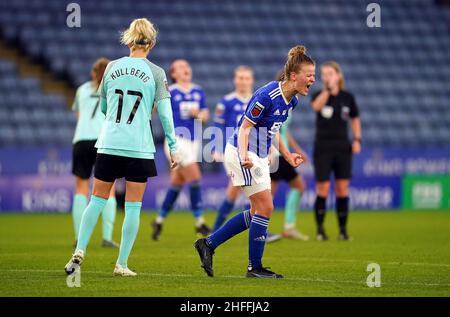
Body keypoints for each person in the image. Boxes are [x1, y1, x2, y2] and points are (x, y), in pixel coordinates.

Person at [65, 18, 178, 277]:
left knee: (96, 200)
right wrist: (173, 145)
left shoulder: (112, 67)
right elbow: (165, 115)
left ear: (128, 40)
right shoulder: (157, 73)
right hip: (138, 147)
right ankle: (121, 264)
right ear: (152, 43)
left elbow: (105, 108)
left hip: (109, 143)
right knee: (133, 206)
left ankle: (80, 250)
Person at [194, 45, 315, 278]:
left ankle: (208, 244)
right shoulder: (266, 96)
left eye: (313, 75)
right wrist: (243, 155)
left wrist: (287, 155)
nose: (312, 79)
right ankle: (254, 267)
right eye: (309, 75)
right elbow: (244, 128)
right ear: (293, 76)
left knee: (257, 211)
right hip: (242, 153)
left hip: (257, 155)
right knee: (265, 207)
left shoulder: (292, 101)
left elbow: (274, 129)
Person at [151, 59, 210, 240]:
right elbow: (153, 109)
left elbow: (205, 116)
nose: (186, 69)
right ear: (174, 74)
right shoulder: (170, 91)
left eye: (187, 66)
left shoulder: (198, 90)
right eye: (181, 67)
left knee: (177, 182)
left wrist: (198, 115)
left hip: (193, 141)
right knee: (195, 177)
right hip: (176, 141)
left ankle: (159, 220)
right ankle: (200, 221)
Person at [310, 61, 361, 241]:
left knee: (342, 188)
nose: (326, 77)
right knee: (322, 187)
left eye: (330, 74)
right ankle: (320, 229)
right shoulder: (319, 94)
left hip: (342, 147)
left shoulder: (348, 97)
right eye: (324, 74)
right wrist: (327, 90)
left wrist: (356, 139)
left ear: (338, 76)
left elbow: (355, 119)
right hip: (323, 147)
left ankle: (342, 230)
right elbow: (316, 107)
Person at [71, 57, 118, 248]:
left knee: (81, 188)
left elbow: (79, 115)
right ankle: (107, 237)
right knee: (109, 189)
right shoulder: (112, 88)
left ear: (93, 72)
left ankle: (78, 237)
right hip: (103, 142)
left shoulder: (81, 89)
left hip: (81, 141)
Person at [212, 66, 254, 232]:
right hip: (233, 150)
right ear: (235, 80)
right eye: (240, 78)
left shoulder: (257, 100)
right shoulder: (227, 101)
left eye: (246, 78)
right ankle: (258, 228)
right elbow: (217, 126)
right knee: (247, 187)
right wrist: (216, 148)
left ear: (251, 80)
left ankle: (215, 230)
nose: (243, 81)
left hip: (254, 152)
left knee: (237, 188)